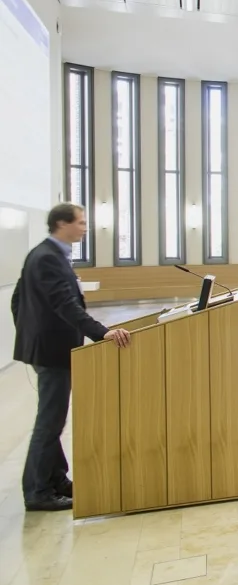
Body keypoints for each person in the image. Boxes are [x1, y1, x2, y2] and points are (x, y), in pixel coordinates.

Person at [12, 203, 132, 512]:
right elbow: (65, 304)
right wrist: (100, 332)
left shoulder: (47, 255)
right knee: (49, 422)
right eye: (79, 222)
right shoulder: (47, 258)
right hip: (52, 351)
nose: (85, 227)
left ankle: (56, 479)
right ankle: (38, 491)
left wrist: (30, 332)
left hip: (48, 346)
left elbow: (17, 301)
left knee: (53, 419)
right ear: (61, 224)